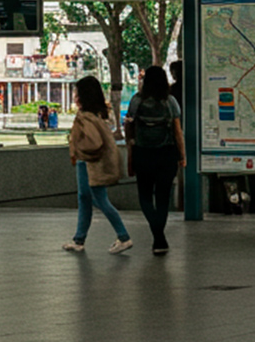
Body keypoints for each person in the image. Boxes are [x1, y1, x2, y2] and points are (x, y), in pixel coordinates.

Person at [64, 76, 133, 254]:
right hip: (95, 163)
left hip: (87, 163)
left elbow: (92, 142)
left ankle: (123, 236)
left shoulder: (84, 117)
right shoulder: (99, 114)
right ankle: (79, 239)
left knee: (97, 199)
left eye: (76, 93)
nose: (74, 96)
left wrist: (79, 150)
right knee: (85, 199)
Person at [124, 65, 185, 256]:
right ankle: (159, 238)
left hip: (143, 153)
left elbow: (128, 125)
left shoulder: (136, 101)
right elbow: (177, 131)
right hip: (166, 154)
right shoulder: (170, 101)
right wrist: (182, 155)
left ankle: (158, 236)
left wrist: (130, 146)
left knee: (144, 196)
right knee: (163, 197)